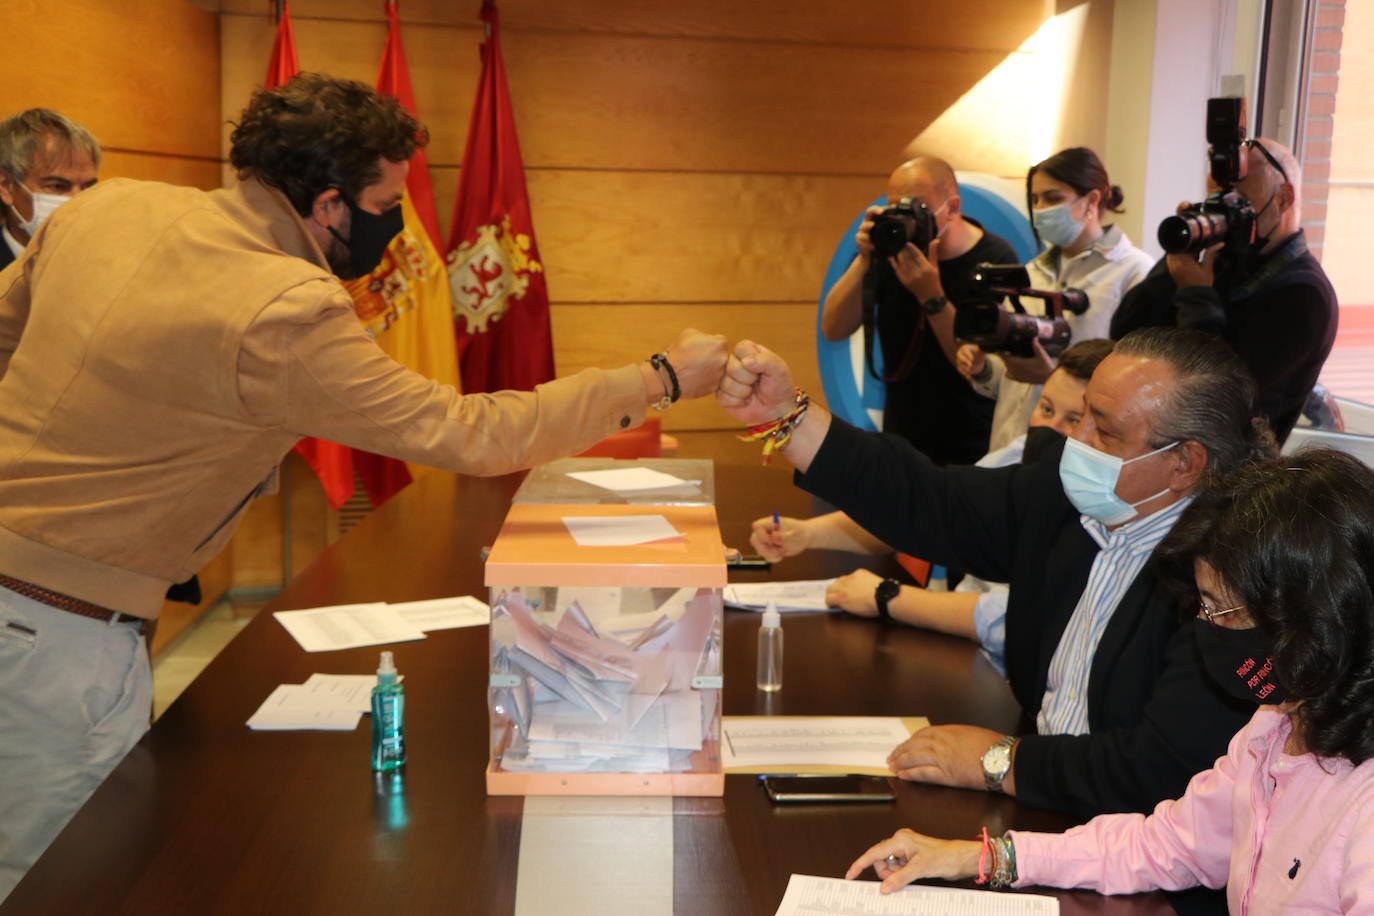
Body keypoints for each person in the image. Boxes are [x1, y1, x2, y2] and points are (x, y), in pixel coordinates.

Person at [0, 73, 727, 901]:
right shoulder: (284, 305)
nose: (399, 222)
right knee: (59, 877)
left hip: (27, 604)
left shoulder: (109, 207)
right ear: (330, 206)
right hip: (58, 635)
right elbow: (470, 433)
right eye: (390, 200)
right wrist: (662, 376)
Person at [717, 327, 1274, 821]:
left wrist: (998, 761)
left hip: (1146, 852)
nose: (1074, 442)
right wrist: (787, 415)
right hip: (1045, 809)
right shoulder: (1068, 501)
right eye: (1079, 417)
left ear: (1185, 463)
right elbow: (933, 501)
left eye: (1103, 432)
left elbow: (1159, 769)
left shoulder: (1232, 578)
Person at [846, 448, 1374, 914]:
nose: (1205, 631)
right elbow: (1167, 846)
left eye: (1222, 611)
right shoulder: (1277, 724)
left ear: (1311, 618)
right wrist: (986, 856)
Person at [750, 338, 1115, 676]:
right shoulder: (1023, 453)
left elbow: (1013, 619)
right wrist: (806, 534)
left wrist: (888, 596)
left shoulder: (1103, 507)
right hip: (954, 645)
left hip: (1003, 671)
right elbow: (937, 509)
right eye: (1046, 409)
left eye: (1074, 420)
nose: (1051, 428)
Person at [1109, 137, 1338, 442]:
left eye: (1238, 202)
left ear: (1283, 198)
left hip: (1226, 477)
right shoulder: (1222, 264)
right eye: (1217, 200)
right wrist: (1176, 259)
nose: (1225, 215)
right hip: (1156, 446)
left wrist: (1195, 296)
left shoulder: (1304, 295)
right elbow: (1124, 335)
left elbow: (1218, 395)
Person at [820, 156, 1019, 465]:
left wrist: (931, 295)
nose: (906, 219)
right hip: (902, 443)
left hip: (972, 446)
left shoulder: (995, 259)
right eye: (897, 207)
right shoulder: (891, 253)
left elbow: (978, 367)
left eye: (917, 208)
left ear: (952, 207)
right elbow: (833, 327)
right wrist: (864, 260)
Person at [957, 147, 1152, 452]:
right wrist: (982, 368)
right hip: (1009, 447)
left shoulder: (1134, 273)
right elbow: (1005, 382)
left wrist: (1052, 378)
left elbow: (1133, 390)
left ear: (1092, 200)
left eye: (1052, 198)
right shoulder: (1029, 274)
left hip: (1078, 450)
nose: (1040, 209)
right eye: (1035, 200)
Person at [0, 108, 100, 271]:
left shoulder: (108, 260)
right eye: (57, 186)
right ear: (6, 187)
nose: (78, 201)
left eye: (88, 187)